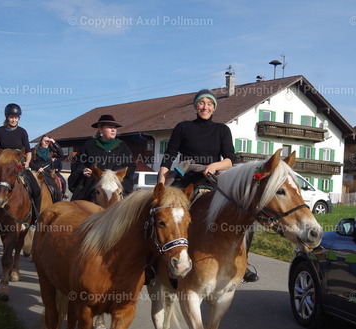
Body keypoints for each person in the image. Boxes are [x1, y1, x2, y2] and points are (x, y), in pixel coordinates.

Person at [157, 89, 258, 282]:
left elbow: (229, 160)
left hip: (212, 178)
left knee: (244, 216)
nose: (205, 107)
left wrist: (214, 166)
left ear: (214, 108)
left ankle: (243, 262)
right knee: (167, 216)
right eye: (202, 103)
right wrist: (161, 180)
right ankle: (157, 261)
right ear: (196, 106)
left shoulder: (222, 130)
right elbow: (169, 155)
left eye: (209, 104)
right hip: (185, 179)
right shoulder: (183, 127)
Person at [68, 114, 136, 200]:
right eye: (110, 127)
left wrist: (117, 174)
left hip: (114, 187)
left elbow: (130, 166)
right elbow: (77, 162)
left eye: (115, 128)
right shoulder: (89, 145)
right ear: (100, 129)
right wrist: (83, 170)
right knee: (78, 204)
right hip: (92, 186)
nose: (113, 130)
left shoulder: (122, 146)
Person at [31, 135, 65, 202]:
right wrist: (37, 168)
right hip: (37, 172)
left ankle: (57, 204)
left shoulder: (51, 150)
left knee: (57, 191)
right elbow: (29, 162)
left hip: (47, 173)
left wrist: (54, 142)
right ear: (41, 141)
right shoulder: (34, 150)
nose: (46, 143)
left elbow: (61, 154)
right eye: (45, 141)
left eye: (48, 141)